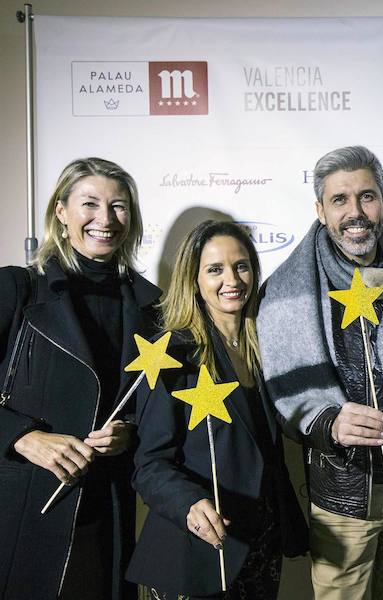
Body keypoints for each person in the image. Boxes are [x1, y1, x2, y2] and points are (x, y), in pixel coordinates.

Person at [257, 146, 383, 600]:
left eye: (366, 196)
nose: (355, 212)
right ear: (320, 210)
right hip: (345, 491)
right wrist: (328, 421)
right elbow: (282, 391)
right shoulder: (285, 290)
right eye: (339, 200)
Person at [0, 157, 158, 599]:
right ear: (61, 212)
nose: (105, 220)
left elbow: (153, 412)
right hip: (23, 508)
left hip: (105, 510)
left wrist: (130, 434)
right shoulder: (16, 289)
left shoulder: (153, 309)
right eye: (89, 204)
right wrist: (22, 437)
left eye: (119, 206)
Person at [126, 220, 307, 598]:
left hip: (260, 544)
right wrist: (189, 503)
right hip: (195, 554)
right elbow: (149, 465)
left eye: (241, 266)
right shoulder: (172, 353)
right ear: (194, 279)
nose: (232, 279)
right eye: (215, 269)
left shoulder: (267, 346)